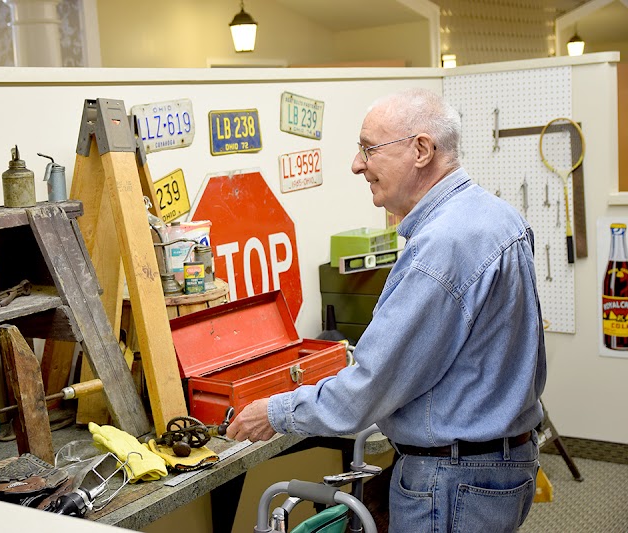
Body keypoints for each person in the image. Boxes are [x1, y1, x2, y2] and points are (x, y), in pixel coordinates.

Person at [226, 88, 546, 532]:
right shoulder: (498, 217)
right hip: (500, 466)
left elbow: (368, 390)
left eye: (368, 149)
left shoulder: (442, 247)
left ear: (421, 150)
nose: (358, 165)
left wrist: (274, 413)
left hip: (454, 481)